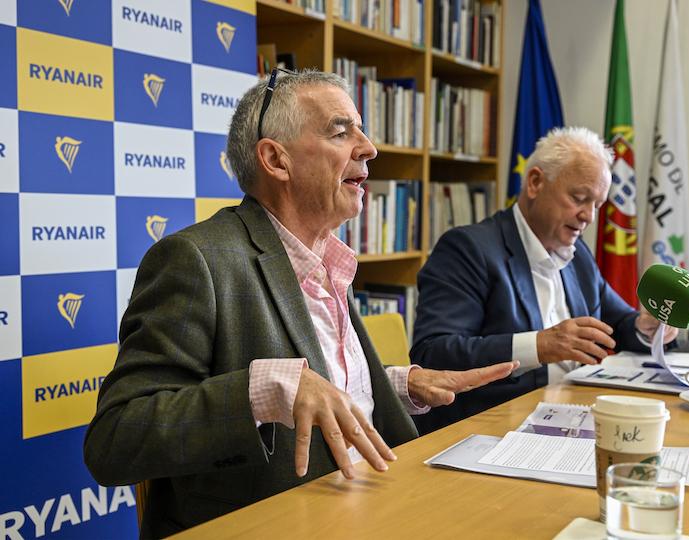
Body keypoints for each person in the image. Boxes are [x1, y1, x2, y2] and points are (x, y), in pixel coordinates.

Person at [83, 70, 517, 538]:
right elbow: (116, 440)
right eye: (340, 130)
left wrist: (397, 384)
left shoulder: (327, 259)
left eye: (362, 128)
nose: (369, 147)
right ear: (276, 159)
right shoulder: (195, 260)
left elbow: (316, 386)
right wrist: (266, 388)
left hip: (374, 507)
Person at [410, 127, 678, 434]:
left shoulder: (577, 256)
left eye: (597, 205)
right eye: (579, 198)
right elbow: (434, 354)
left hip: (572, 418)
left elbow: (618, 324)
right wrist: (539, 345)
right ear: (535, 182)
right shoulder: (469, 249)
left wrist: (647, 328)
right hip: (492, 429)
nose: (588, 216)